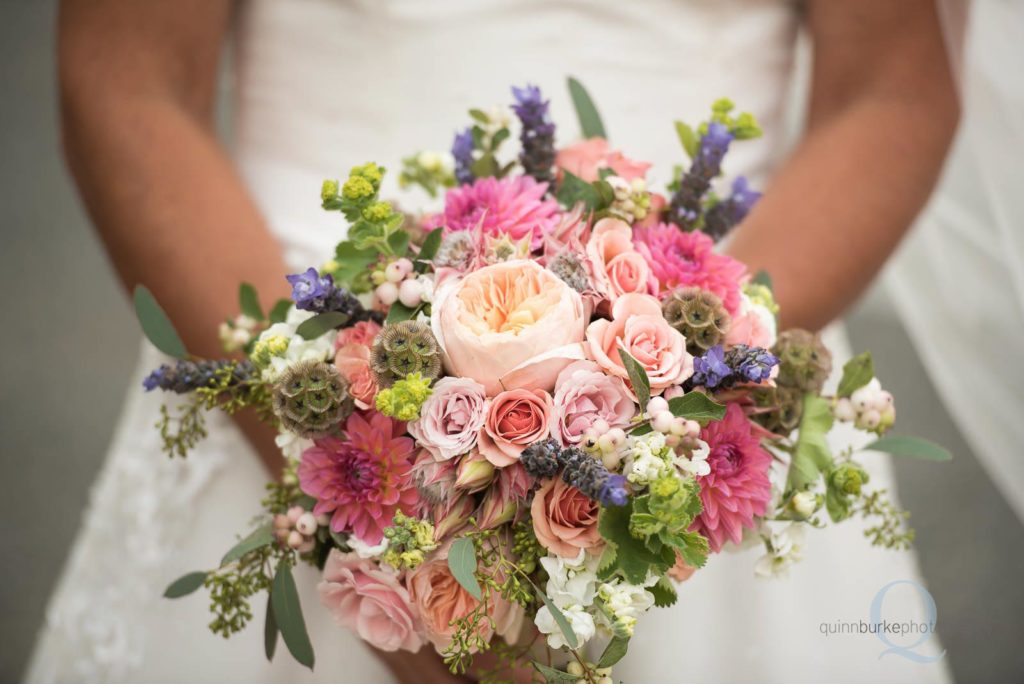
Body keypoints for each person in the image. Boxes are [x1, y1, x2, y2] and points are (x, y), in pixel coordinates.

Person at [28, 0, 959, 682]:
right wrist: (386, 535)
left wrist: (686, 389)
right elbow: (130, 82)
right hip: (286, 355)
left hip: (705, 404)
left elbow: (891, 91)